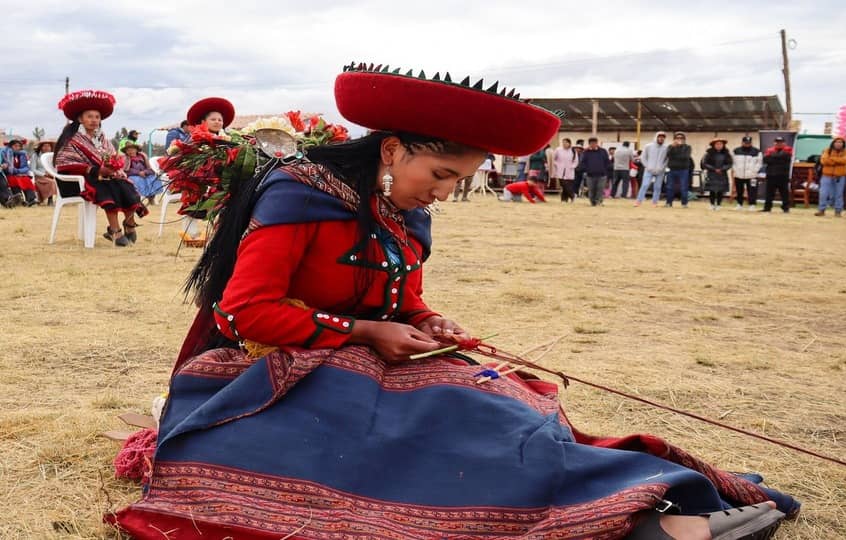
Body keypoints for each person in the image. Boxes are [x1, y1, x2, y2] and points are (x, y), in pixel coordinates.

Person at [111, 63, 795, 540]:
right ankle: (642, 513)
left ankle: (646, 496)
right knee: (445, 419)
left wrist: (424, 321)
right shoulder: (301, 194)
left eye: (459, 182)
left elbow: (404, 302)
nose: (443, 192)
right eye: (438, 174)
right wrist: (364, 331)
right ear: (395, 148)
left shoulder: (408, 215)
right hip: (272, 370)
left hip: (362, 359)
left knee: (499, 400)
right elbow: (243, 312)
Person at [54, 90, 147, 246]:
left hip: (105, 177)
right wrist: (95, 170)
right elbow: (65, 163)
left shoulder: (102, 137)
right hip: (80, 181)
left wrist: (113, 167)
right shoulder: (72, 140)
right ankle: (115, 230)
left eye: (97, 117)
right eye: (89, 116)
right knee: (107, 186)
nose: (94, 120)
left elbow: (112, 156)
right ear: (80, 119)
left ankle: (129, 223)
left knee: (126, 184)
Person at [179, 97, 237, 240]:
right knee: (195, 197)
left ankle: (219, 229)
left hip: (221, 176)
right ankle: (190, 229)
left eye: (220, 120)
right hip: (200, 177)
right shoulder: (195, 138)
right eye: (213, 119)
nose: (217, 122)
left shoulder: (226, 139)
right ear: (204, 122)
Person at [815, 137, 846, 217]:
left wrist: (832, 159)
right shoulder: (827, 150)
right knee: (823, 193)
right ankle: (821, 210)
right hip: (826, 175)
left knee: (839, 194)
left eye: (840, 142)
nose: (838, 143)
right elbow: (824, 161)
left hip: (840, 176)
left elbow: (845, 161)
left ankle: (838, 211)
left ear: (843, 144)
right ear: (833, 143)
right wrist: (838, 160)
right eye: (837, 142)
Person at [635, 131, 668, 206]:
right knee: (645, 185)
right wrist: (647, 166)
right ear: (656, 137)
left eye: (663, 137)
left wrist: (662, 168)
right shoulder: (648, 146)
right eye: (659, 137)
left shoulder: (666, 148)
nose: (661, 138)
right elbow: (643, 157)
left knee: (657, 187)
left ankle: (654, 202)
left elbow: (667, 159)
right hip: (649, 170)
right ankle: (638, 201)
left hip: (660, 171)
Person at [3, 138, 39, 206]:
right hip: (10, 174)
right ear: (10, 146)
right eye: (15, 146)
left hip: (21, 174)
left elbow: (26, 167)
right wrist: (15, 172)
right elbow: (7, 168)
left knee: (26, 179)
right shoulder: (6, 155)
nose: (17, 147)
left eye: (19, 146)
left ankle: (31, 199)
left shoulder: (22, 155)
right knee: (14, 180)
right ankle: (19, 200)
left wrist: (19, 171)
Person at [761, 136, 792, 213]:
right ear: (774, 143)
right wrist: (778, 157)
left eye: (780, 142)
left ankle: (786, 208)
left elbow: (786, 157)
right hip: (771, 175)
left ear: (784, 143)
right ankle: (767, 208)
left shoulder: (788, 149)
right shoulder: (769, 150)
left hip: (783, 175)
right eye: (777, 142)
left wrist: (772, 157)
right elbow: (765, 160)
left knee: (784, 193)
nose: (779, 143)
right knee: (769, 193)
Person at [701, 138, 732, 211]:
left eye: (721, 144)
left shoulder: (726, 153)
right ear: (713, 145)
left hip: (722, 173)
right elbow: (704, 163)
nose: (719, 146)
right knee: (712, 190)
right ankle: (712, 204)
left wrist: (722, 169)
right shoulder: (708, 153)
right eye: (717, 144)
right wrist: (714, 169)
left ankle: (719, 204)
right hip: (712, 173)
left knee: (720, 190)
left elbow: (729, 163)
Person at [732, 136, 762, 210]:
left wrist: (754, 171)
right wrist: (736, 170)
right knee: (739, 190)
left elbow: (759, 163)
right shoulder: (736, 151)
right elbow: (733, 162)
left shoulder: (757, 151)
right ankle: (739, 204)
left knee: (752, 190)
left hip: (752, 175)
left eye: (749, 143)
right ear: (742, 142)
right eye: (745, 143)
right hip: (739, 174)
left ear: (751, 143)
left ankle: (752, 205)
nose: (747, 144)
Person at [664, 132, 692, 208]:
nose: (679, 139)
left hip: (683, 170)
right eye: (677, 138)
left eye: (681, 138)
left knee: (683, 187)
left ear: (684, 140)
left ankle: (684, 203)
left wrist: (677, 151)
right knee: (669, 186)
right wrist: (673, 147)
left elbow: (685, 157)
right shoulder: (670, 147)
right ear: (674, 139)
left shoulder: (687, 147)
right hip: (672, 169)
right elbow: (668, 155)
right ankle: (668, 203)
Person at [580, 137, 610, 206]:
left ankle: (599, 201)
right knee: (591, 190)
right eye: (591, 143)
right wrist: (586, 169)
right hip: (590, 175)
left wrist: (605, 170)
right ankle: (592, 202)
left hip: (602, 175)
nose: (593, 145)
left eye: (594, 143)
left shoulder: (603, 151)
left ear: (597, 143)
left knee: (600, 189)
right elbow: (583, 162)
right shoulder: (586, 152)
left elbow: (607, 162)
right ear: (589, 144)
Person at [30, 140, 58, 205]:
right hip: (39, 177)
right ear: (41, 147)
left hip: (50, 176)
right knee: (52, 182)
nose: (47, 148)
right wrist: (44, 174)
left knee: (57, 181)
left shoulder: (52, 156)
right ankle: (50, 200)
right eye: (44, 146)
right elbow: (33, 169)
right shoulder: (35, 156)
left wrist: (52, 173)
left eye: (48, 146)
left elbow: (54, 167)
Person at [552, 138, 578, 202]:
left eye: (566, 142)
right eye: (563, 142)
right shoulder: (558, 150)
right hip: (560, 170)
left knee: (567, 185)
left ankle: (564, 200)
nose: (564, 144)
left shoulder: (573, 151)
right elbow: (553, 158)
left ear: (569, 143)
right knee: (563, 184)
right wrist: (556, 164)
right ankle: (572, 195)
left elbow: (576, 161)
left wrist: (572, 166)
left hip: (569, 170)